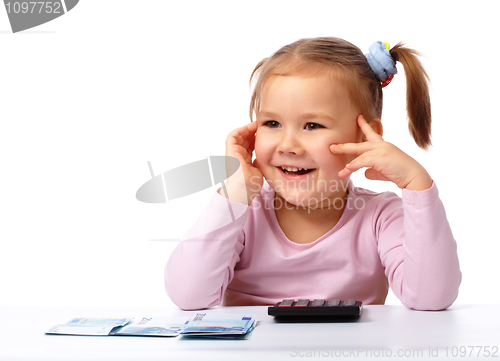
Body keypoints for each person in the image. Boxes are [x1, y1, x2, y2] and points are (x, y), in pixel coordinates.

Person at [164, 37, 461, 311]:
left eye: (312, 126)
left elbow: (431, 299)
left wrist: (417, 185)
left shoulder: (380, 216)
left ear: (364, 138)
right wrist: (235, 193)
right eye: (272, 123)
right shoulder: (244, 212)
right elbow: (188, 296)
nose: (288, 145)